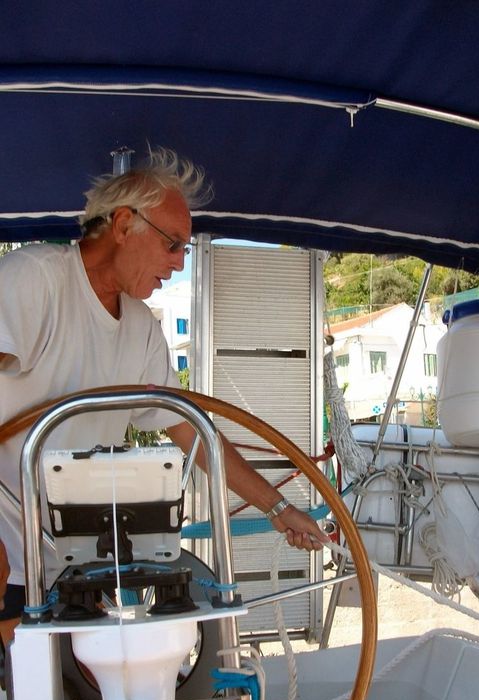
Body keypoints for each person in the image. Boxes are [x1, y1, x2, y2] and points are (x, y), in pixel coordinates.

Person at [0, 147, 327, 647]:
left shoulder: (142, 331)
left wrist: (278, 509)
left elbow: (192, 432)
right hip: (6, 557)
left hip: (69, 568)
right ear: (125, 223)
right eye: (173, 245)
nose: (178, 266)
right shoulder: (36, 280)